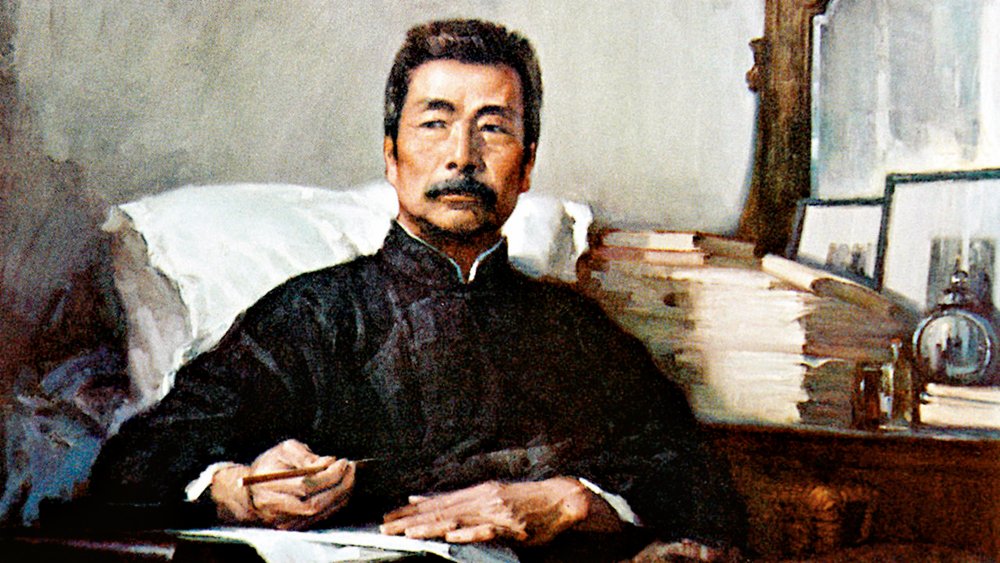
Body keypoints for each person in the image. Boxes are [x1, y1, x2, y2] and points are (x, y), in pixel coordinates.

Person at [81, 18, 745, 561]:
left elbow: (704, 494)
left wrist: (578, 503)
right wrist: (237, 490)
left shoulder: (577, 333)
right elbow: (128, 466)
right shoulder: (310, 316)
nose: (463, 155)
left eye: (493, 126)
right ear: (391, 157)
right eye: (435, 122)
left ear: (527, 166)